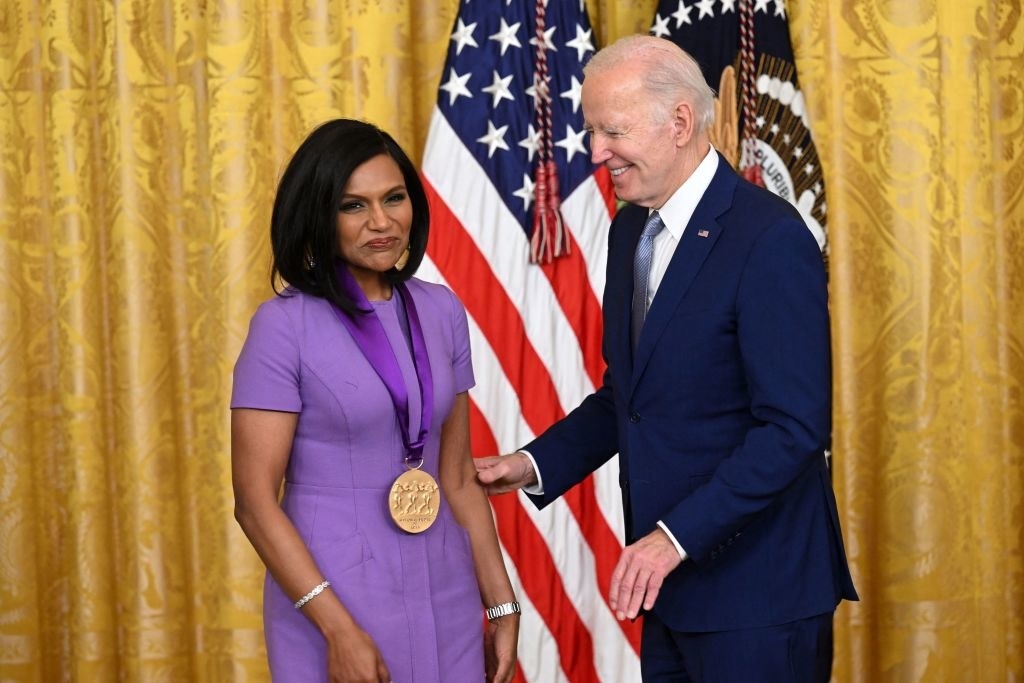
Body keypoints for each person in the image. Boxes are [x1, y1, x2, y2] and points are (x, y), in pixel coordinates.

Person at [475, 35, 857, 681]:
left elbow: (793, 429)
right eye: (591, 130)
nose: (595, 153)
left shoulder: (769, 238)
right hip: (673, 591)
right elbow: (630, 396)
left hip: (759, 596)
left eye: (611, 130)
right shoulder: (631, 228)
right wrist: (532, 463)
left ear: (680, 122)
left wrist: (672, 538)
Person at [231, 118, 519, 682]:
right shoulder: (282, 326)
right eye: (353, 206)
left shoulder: (441, 310)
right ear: (318, 215)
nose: (382, 222)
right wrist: (337, 629)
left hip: (446, 586)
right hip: (333, 595)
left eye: (394, 198)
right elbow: (254, 502)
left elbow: (457, 475)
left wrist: (501, 603)